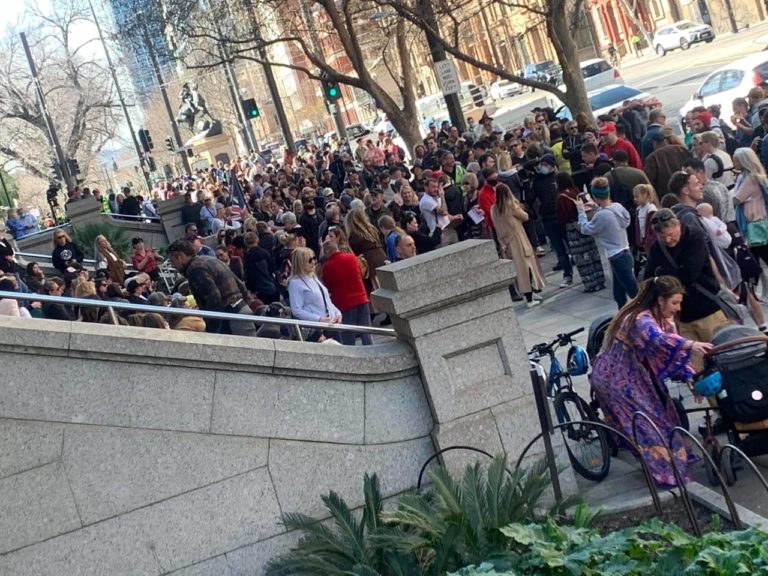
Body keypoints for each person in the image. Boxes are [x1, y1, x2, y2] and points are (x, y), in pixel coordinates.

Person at [591, 276, 712, 487]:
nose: (678, 308)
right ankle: (665, 473)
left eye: (679, 302)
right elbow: (658, 340)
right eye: (674, 302)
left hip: (638, 375)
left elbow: (671, 354)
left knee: (667, 416)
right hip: (617, 380)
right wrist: (690, 344)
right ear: (660, 300)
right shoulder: (640, 319)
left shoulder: (665, 321)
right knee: (649, 425)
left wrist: (691, 378)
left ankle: (674, 462)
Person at [643, 209, 727, 369]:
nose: (668, 240)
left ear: (678, 225)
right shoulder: (657, 248)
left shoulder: (694, 237)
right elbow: (648, 278)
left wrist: (662, 273)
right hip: (682, 318)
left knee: (722, 360)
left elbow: (689, 274)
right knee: (697, 371)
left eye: (671, 234)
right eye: (663, 237)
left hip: (707, 311)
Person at [167, 239, 256, 337]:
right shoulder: (210, 260)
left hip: (230, 318)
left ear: (181, 257)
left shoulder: (195, 270)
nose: (173, 265)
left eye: (173, 261)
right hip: (240, 309)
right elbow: (240, 284)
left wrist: (212, 329)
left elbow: (213, 298)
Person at [576, 177, 638, 308]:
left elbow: (585, 228)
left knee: (634, 292)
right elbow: (626, 220)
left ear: (594, 196)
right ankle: (622, 315)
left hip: (616, 256)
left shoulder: (601, 215)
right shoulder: (617, 207)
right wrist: (597, 208)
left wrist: (581, 211)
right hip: (625, 251)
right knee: (619, 294)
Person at [491, 183, 545, 308]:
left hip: (506, 243)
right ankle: (530, 297)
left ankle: (530, 293)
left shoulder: (494, 209)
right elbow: (525, 216)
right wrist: (517, 203)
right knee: (527, 268)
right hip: (518, 240)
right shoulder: (510, 205)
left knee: (519, 271)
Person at [555, 172, 606, 292]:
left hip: (573, 231)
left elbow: (562, 217)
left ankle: (591, 284)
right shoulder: (576, 191)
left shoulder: (561, 198)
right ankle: (600, 280)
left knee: (582, 259)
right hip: (585, 226)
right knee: (592, 254)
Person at [320, 240, 374, 345]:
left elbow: (327, 285)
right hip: (361, 298)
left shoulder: (327, 266)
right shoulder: (352, 258)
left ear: (327, 252)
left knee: (348, 336)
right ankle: (372, 355)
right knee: (367, 333)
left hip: (344, 304)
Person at [287, 247, 342, 342]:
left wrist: (337, 313)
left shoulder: (313, 277)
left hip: (331, 324)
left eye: (314, 259)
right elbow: (296, 310)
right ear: (301, 262)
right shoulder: (295, 283)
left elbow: (327, 301)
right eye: (309, 260)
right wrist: (319, 319)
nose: (313, 262)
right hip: (317, 329)